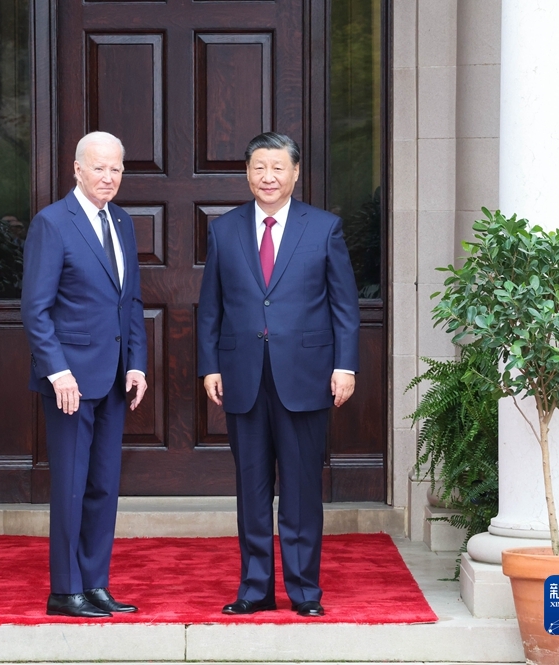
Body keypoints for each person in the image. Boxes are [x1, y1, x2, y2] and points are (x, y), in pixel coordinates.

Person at [197, 131, 360, 618]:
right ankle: (255, 588)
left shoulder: (324, 227)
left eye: (277, 168)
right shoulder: (225, 229)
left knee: (301, 489)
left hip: (307, 375)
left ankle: (305, 591)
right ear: (247, 173)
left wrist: (345, 364)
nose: (267, 177)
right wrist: (209, 364)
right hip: (242, 375)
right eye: (258, 168)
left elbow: (344, 306)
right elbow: (212, 305)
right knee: (251, 490)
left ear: (294, 173)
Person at [21, 131, 148, 618]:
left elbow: (130, 301)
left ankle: (95, 584)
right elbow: (36, 309)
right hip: (69, 384)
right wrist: (57, 372)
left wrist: (136, 363)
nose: (109, 178)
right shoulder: (52, 223)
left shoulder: (122, 221)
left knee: (103, 487)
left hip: (114, 379)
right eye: (99, 168)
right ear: (76, 169)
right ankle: (65, 589)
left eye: (116, 169)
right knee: (72, 486)